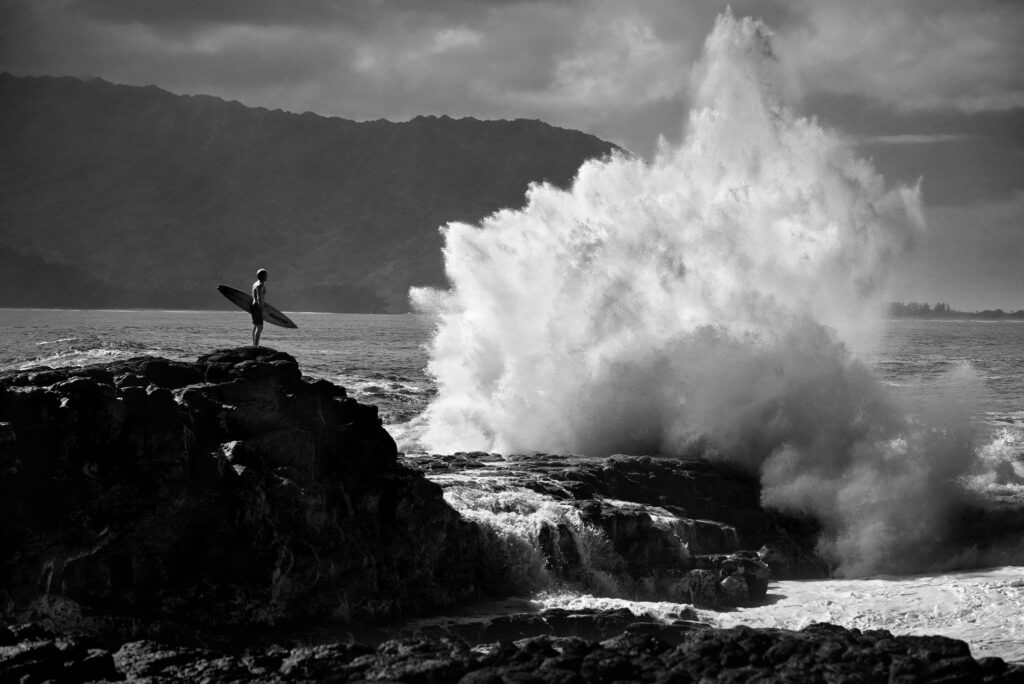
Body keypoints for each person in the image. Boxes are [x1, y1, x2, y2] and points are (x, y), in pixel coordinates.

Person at [251, 268, 268, 348]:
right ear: (262, 276)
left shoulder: (255, 284)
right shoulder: (260, 285)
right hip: (258, 307)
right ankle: (256, 347)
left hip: (253, 306)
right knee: (260, 327)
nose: (267, 276)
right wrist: (262, 310)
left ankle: (254, 345)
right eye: (266, 275)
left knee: (255, 326)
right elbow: (259, 298)